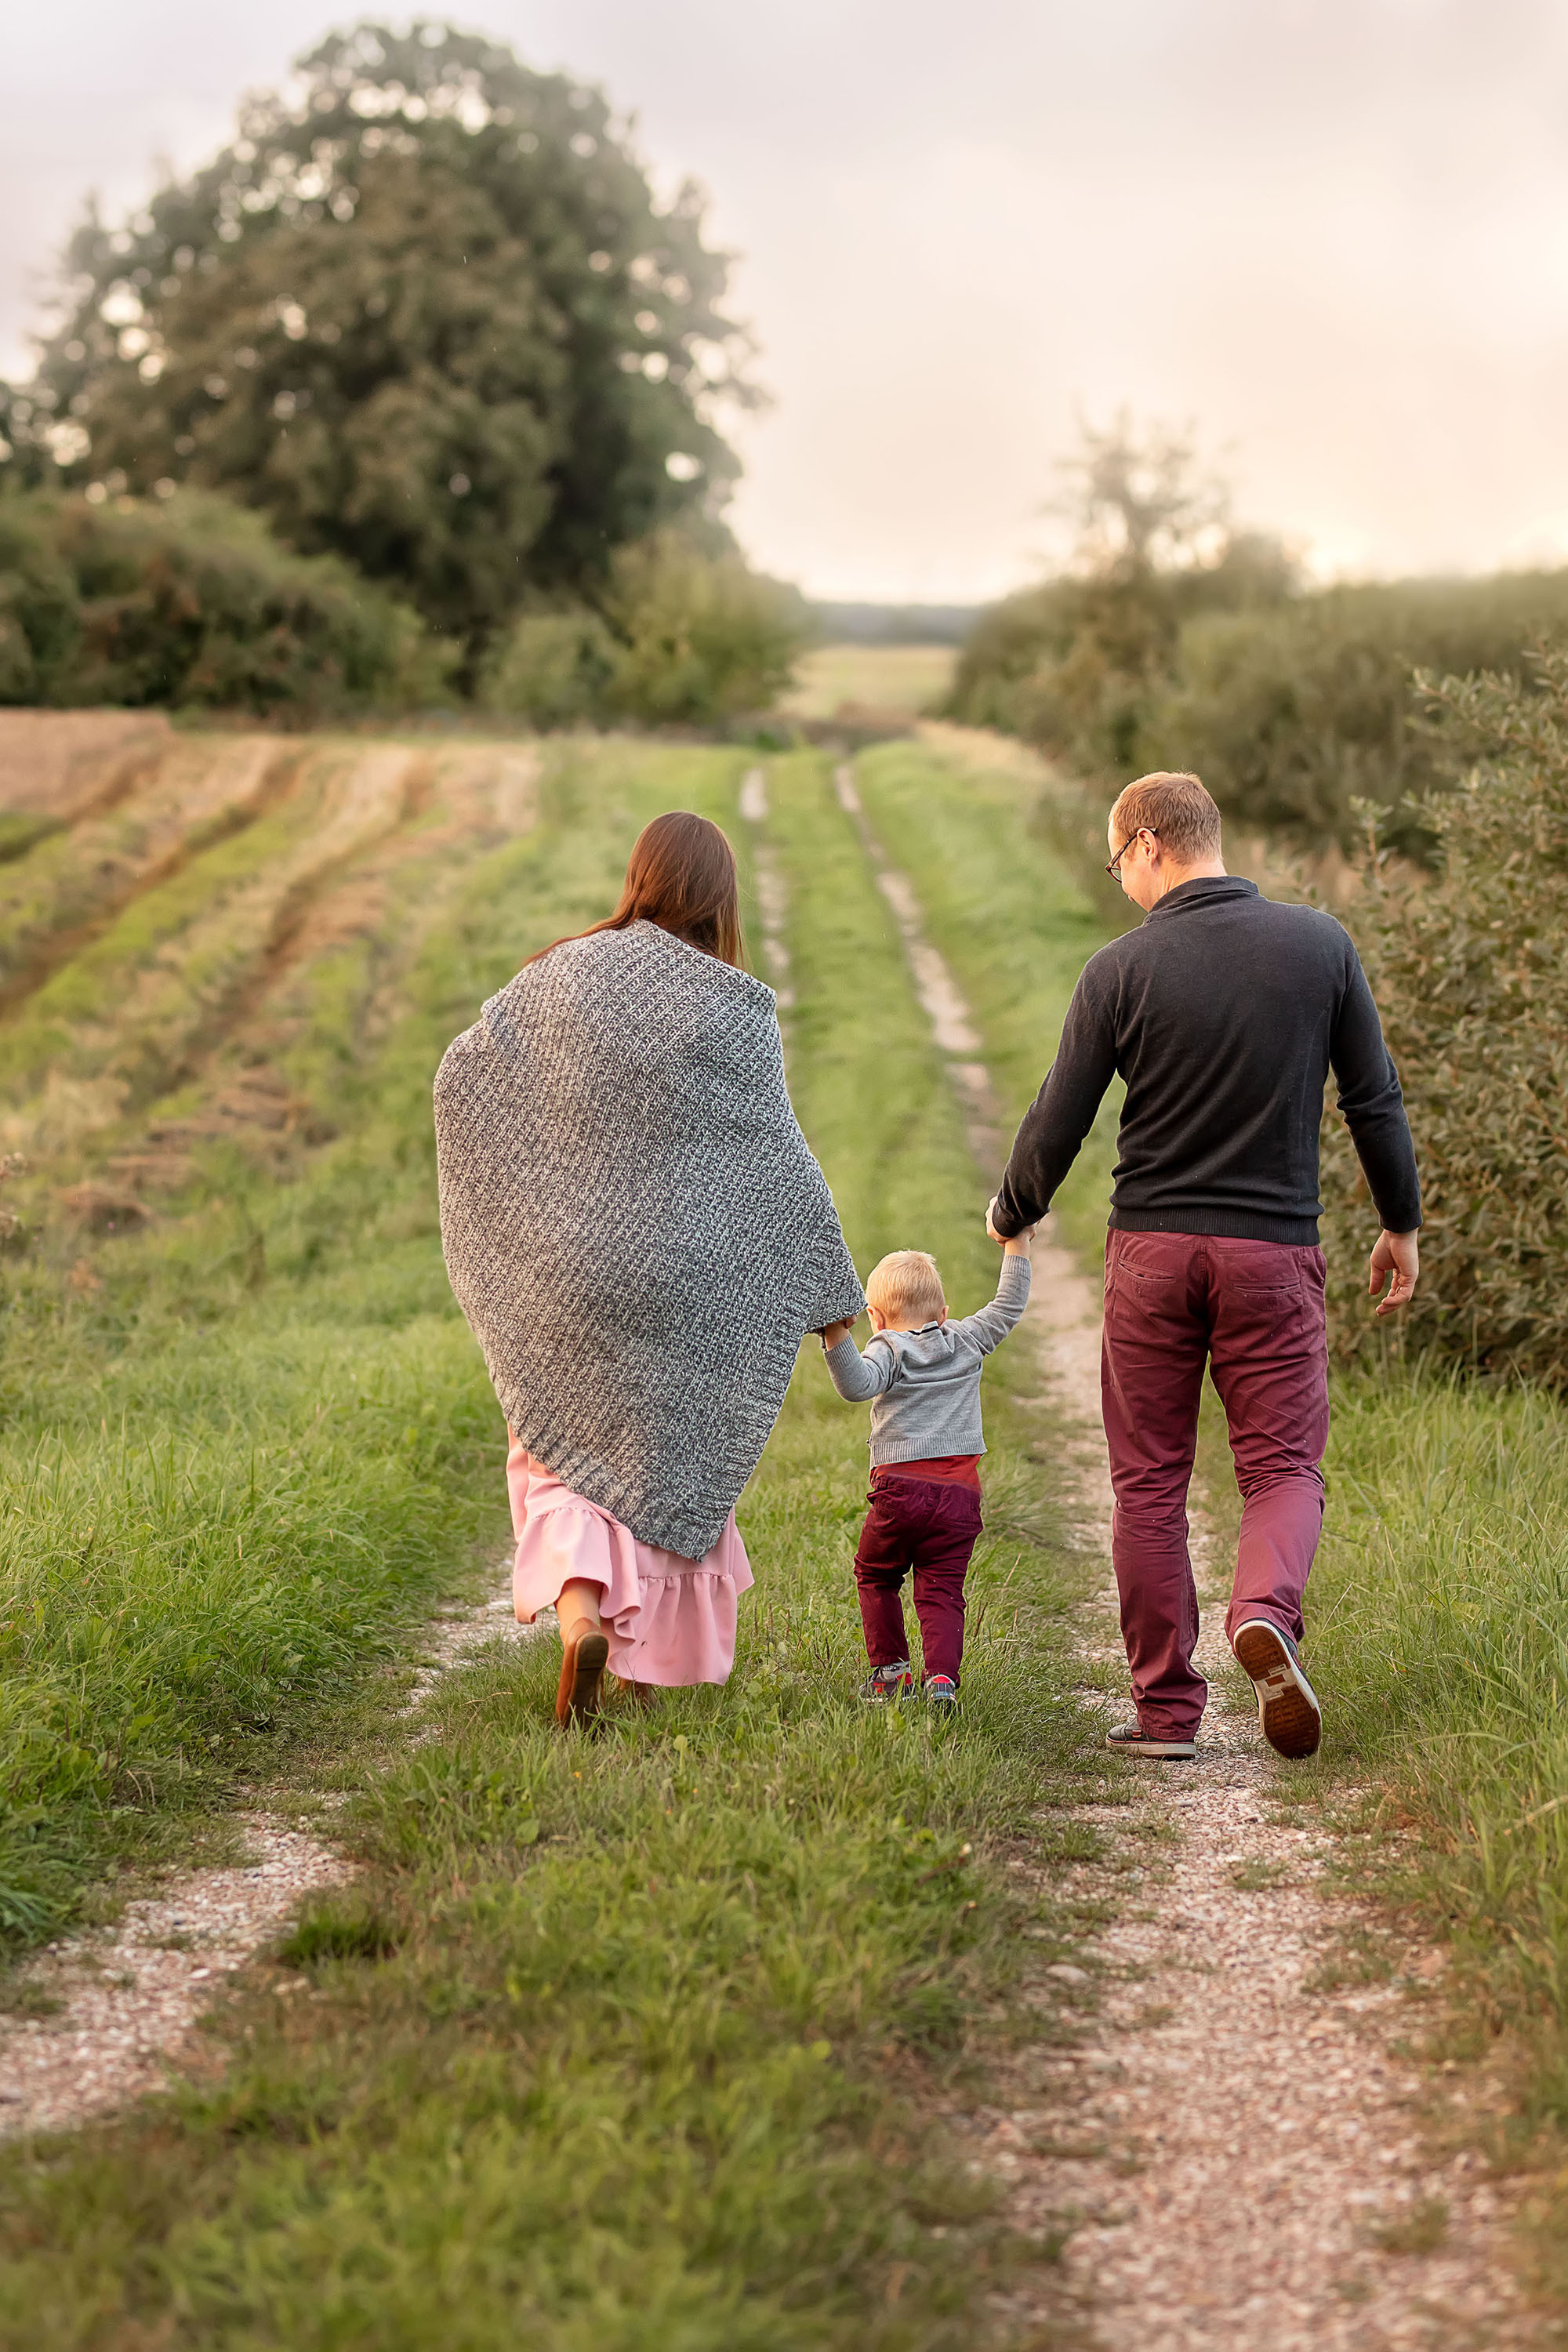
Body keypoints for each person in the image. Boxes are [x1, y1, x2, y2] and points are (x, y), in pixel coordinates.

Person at [987, 771, 1420, 1762]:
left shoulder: (1119, 969)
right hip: (1272, 1252)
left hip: (1150, 1253)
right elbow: (1373, 1100)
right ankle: (1260, 1612)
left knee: (1147, 1483)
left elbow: (1060, 1115)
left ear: (1146, 844)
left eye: (1115, 863)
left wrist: (1012, 1208)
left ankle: (1164, 1715)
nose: (1118, 884)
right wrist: (1400, 1221)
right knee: (1279, 1466)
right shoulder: (1320, 947)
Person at [434, 810, 864, 1727]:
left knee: (551, 1458)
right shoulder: (733, 1005)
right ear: (719, 899)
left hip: (565, 1272)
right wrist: (831, 1299)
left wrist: (520, 1203)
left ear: (639, 877)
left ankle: (581, 1612)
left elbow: (460, 1076)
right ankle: (644, 1662)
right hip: (684, 1279)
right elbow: (776, 1156)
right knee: (668, 1445)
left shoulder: (559, 972)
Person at [821, 1230, 1033, 1708]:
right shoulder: (967, 1337)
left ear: (875, 1319)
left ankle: (890, 1674)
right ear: (943, 1313)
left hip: (899, 1492)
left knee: (876, 1574)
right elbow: (1009, 1303)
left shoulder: (888, 1349)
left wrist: (836, 1334)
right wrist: (1016, 1244)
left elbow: (856, 1386)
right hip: (960, 1495)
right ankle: (941, 1681)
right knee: (941, 1587)